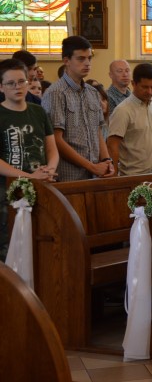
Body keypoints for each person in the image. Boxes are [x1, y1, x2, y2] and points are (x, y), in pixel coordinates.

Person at [0, 58, 58, 261]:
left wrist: (50, 170)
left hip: (41, 186)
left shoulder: (38, 111)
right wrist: (29, 177)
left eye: (21, 81)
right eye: (11, 83)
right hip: (8, 192)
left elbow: (52, 149)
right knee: (9, 249)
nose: (18, 87)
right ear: (1, 87)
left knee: (39, 246)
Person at [41, 36, 113, 181]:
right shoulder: (56, 93)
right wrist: (90, 166)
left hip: (94, 174)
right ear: (66, 61)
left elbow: (97, 131)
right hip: (68, 175)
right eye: (81, 59)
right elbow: (55, 139)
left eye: (89, 58)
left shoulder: (93, 92)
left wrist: (106, 160)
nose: (87, 63)